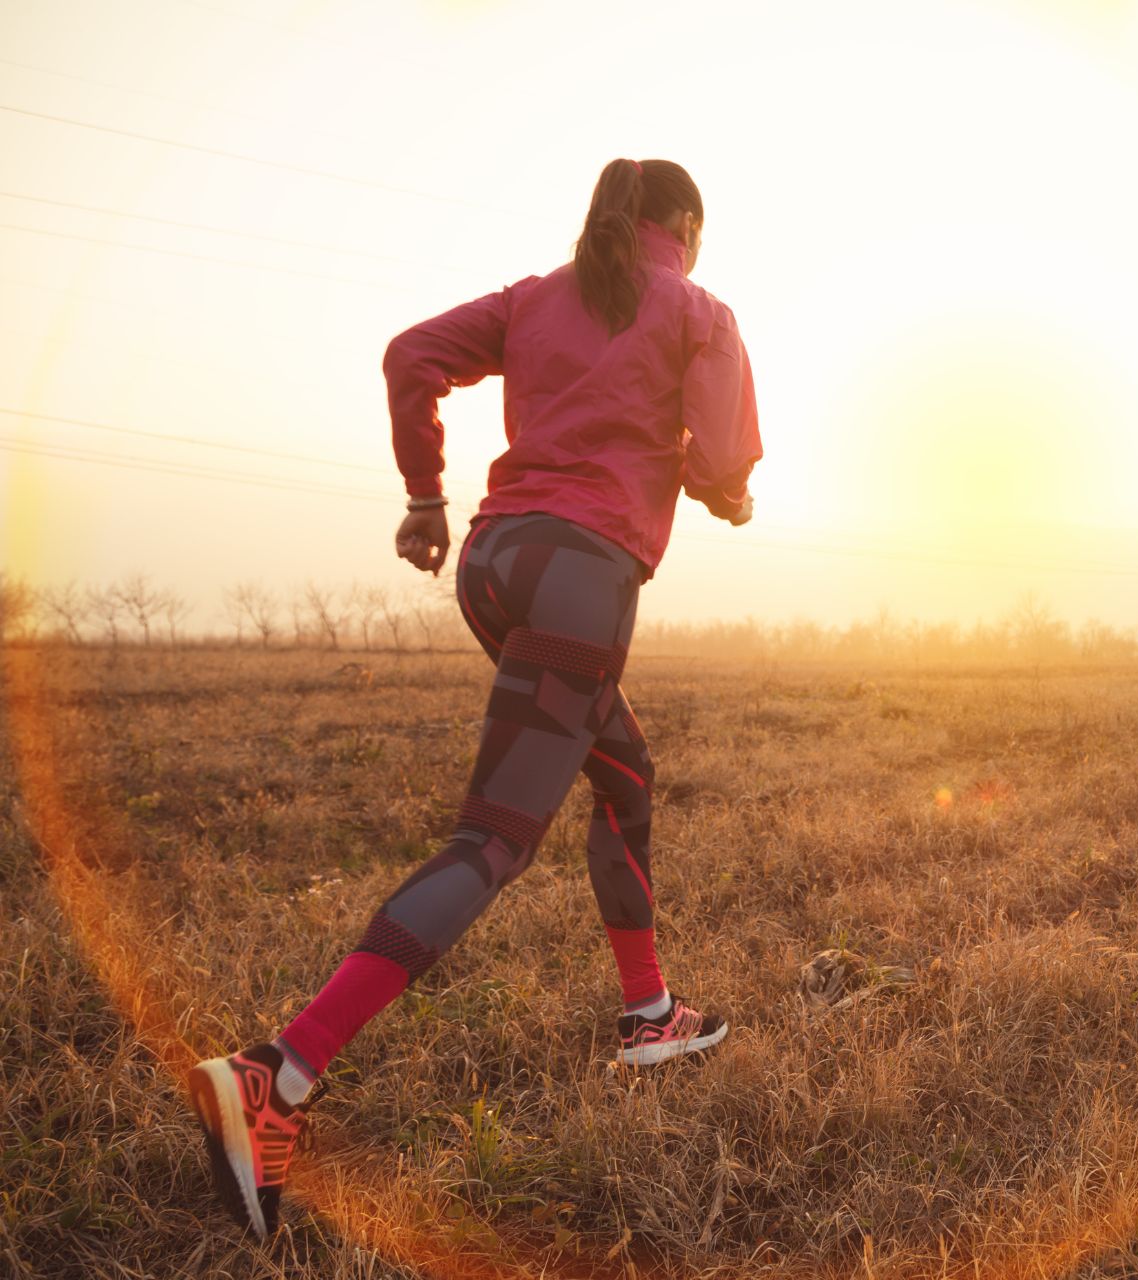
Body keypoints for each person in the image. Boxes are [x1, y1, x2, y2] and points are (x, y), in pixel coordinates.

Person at [187, 157, 761, 1242]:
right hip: (584, 577)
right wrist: (720, 486)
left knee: (624, 772)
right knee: (491, 841)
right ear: (682, 225)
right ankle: (279, 1072)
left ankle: (649, 1016)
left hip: (497, 562)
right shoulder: (698, 310)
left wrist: (422, 494)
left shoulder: (535, 297)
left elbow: (411, 355)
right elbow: (727, 455)